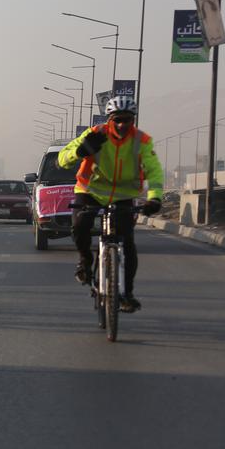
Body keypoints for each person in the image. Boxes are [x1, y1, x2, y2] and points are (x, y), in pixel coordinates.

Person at [58, 95, 163, 312]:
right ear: (109, 120)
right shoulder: (95, 134)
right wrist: (80, 152)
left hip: (123, 196)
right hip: (90, 191)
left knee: (129, 245)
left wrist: (155, 197)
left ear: (133, 120)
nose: (122, 125)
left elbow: (154, 170)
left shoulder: (141, 141)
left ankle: (126, 294)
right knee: (80, 224)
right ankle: (85, 261)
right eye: (118, 120)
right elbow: (61, 158)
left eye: (127, 120)